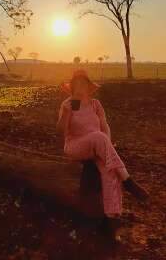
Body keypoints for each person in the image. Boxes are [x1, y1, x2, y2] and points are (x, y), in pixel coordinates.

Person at [57, 69, 148, 230]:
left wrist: (108, 143)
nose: (80, 87)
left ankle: (112, 220)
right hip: (75, 146)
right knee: (98, 137)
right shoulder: (67, 104)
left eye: (83, 84)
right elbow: (60, 132)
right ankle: (128, 180)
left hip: (97, 146)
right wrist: (66, 113)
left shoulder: (95, 104)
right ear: (72, 87)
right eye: (76, 84)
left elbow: (105, 126)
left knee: (110, 171)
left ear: (87, 86)